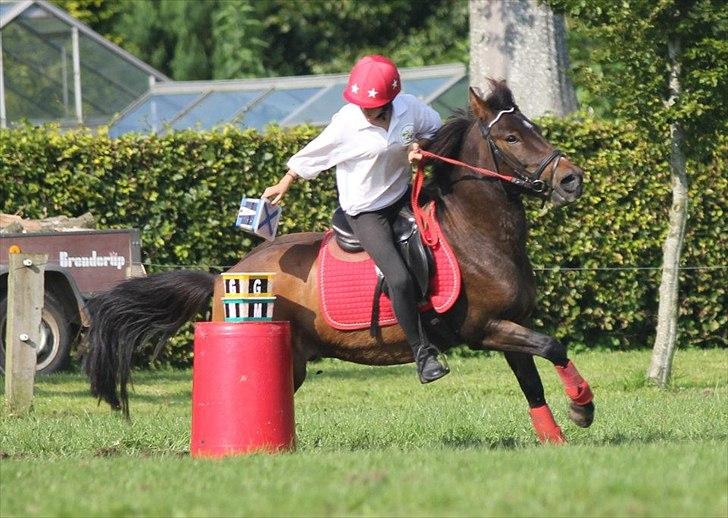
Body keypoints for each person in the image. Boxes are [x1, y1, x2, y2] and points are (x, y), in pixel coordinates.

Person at [262, 55, 449, 384]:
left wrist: (420, 146)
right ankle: (423, 353)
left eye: (371, 105)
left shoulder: (410, 108)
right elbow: (314, 154)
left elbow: (435, 129)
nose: (365, 110)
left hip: (403, 196)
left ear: (391, 99)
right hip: (366, 211)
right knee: (400, 278)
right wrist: (285, 182)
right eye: (360, 104)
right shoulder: (347, 122)